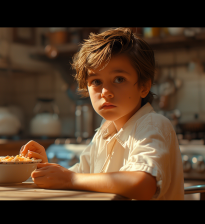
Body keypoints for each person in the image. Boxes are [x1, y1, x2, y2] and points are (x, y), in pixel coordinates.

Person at [20, 27, 184, 200]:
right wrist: (48, 170)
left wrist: (70, 179)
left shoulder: (152, 124)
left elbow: (143, 184)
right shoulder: (105, 131)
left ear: (143, 86)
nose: (105, 92)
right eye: (96, 81)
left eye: (119, 79)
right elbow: (83, 178)